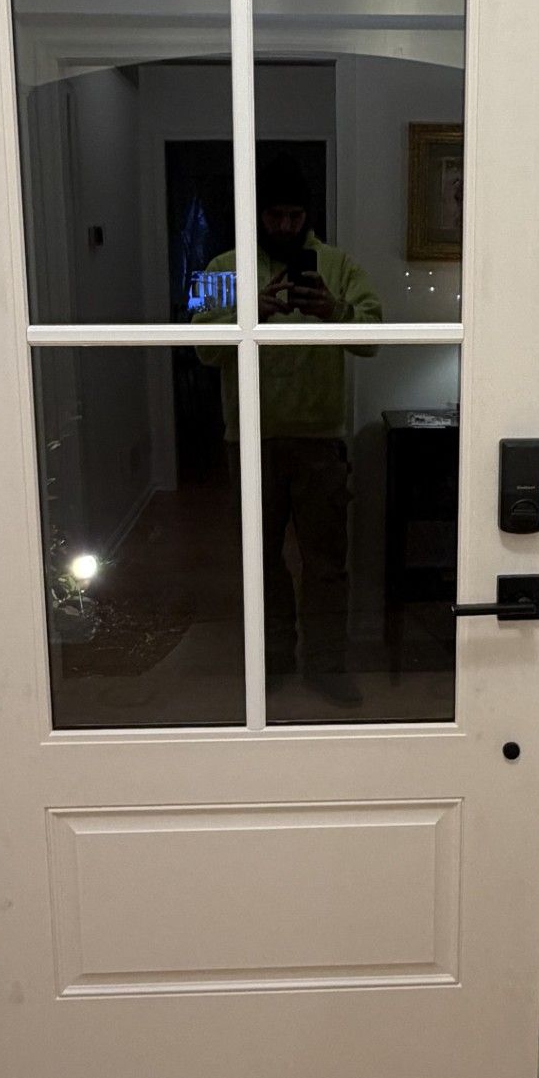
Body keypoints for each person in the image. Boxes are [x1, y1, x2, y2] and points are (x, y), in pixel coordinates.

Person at [194, 152, 382, 705]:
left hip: (321, 440)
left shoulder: (340, 266)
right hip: (247, 439)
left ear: (308, 214)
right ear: (258, 213)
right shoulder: (221, 268)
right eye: (274, 215)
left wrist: (334, 310)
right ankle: (272, 662)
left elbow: (375, 337)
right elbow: (199, 345)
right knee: (260, 559)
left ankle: (326, 664)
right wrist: (248, 314)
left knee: (326, 562)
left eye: (294, 215)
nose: (284, 226)